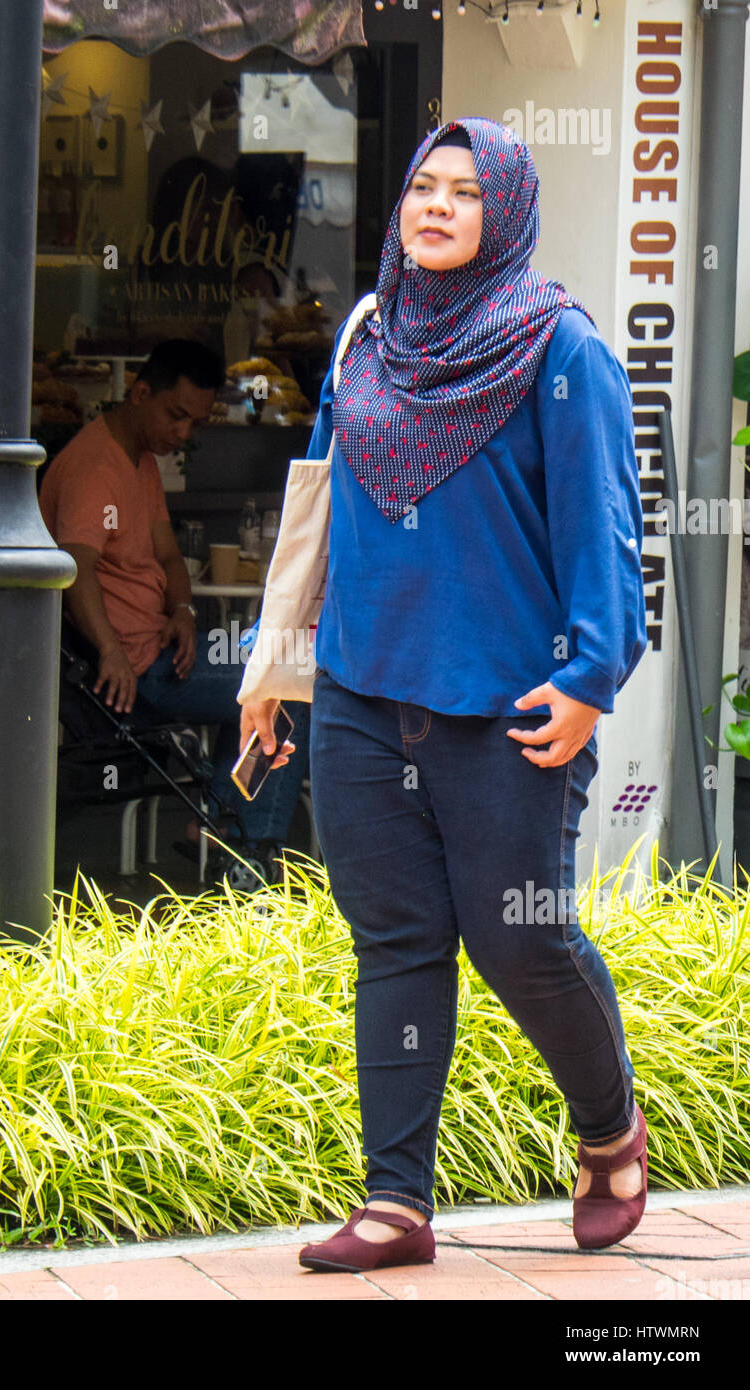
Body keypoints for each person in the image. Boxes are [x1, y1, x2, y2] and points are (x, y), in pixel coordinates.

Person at [239, 117, 650, 1271]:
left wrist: (587, 681)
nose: (436, 205)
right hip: (365, 691)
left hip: (510, 705)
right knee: (398, 940)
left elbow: (606, 531)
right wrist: (273, 667)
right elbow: (314, 509)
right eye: (424, 185)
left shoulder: (562, 350)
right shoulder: (370, 336)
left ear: (505, 212)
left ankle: (611, 1129)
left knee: (520, 940)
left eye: (465, 192)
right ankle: (396, 1201)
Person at [38, 337, 310, 889]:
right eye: (175, 416)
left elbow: (167, 554)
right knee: (289, 686)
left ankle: (216, 819)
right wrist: (111, 650)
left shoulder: (136, 459)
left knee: (283, 667)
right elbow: (74, 568)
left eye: (195, 422)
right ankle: (243, 851)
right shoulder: (94, 469)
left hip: (168, 648)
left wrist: (183, 609)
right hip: (137, 669)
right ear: (140, 394)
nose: (183, 434)